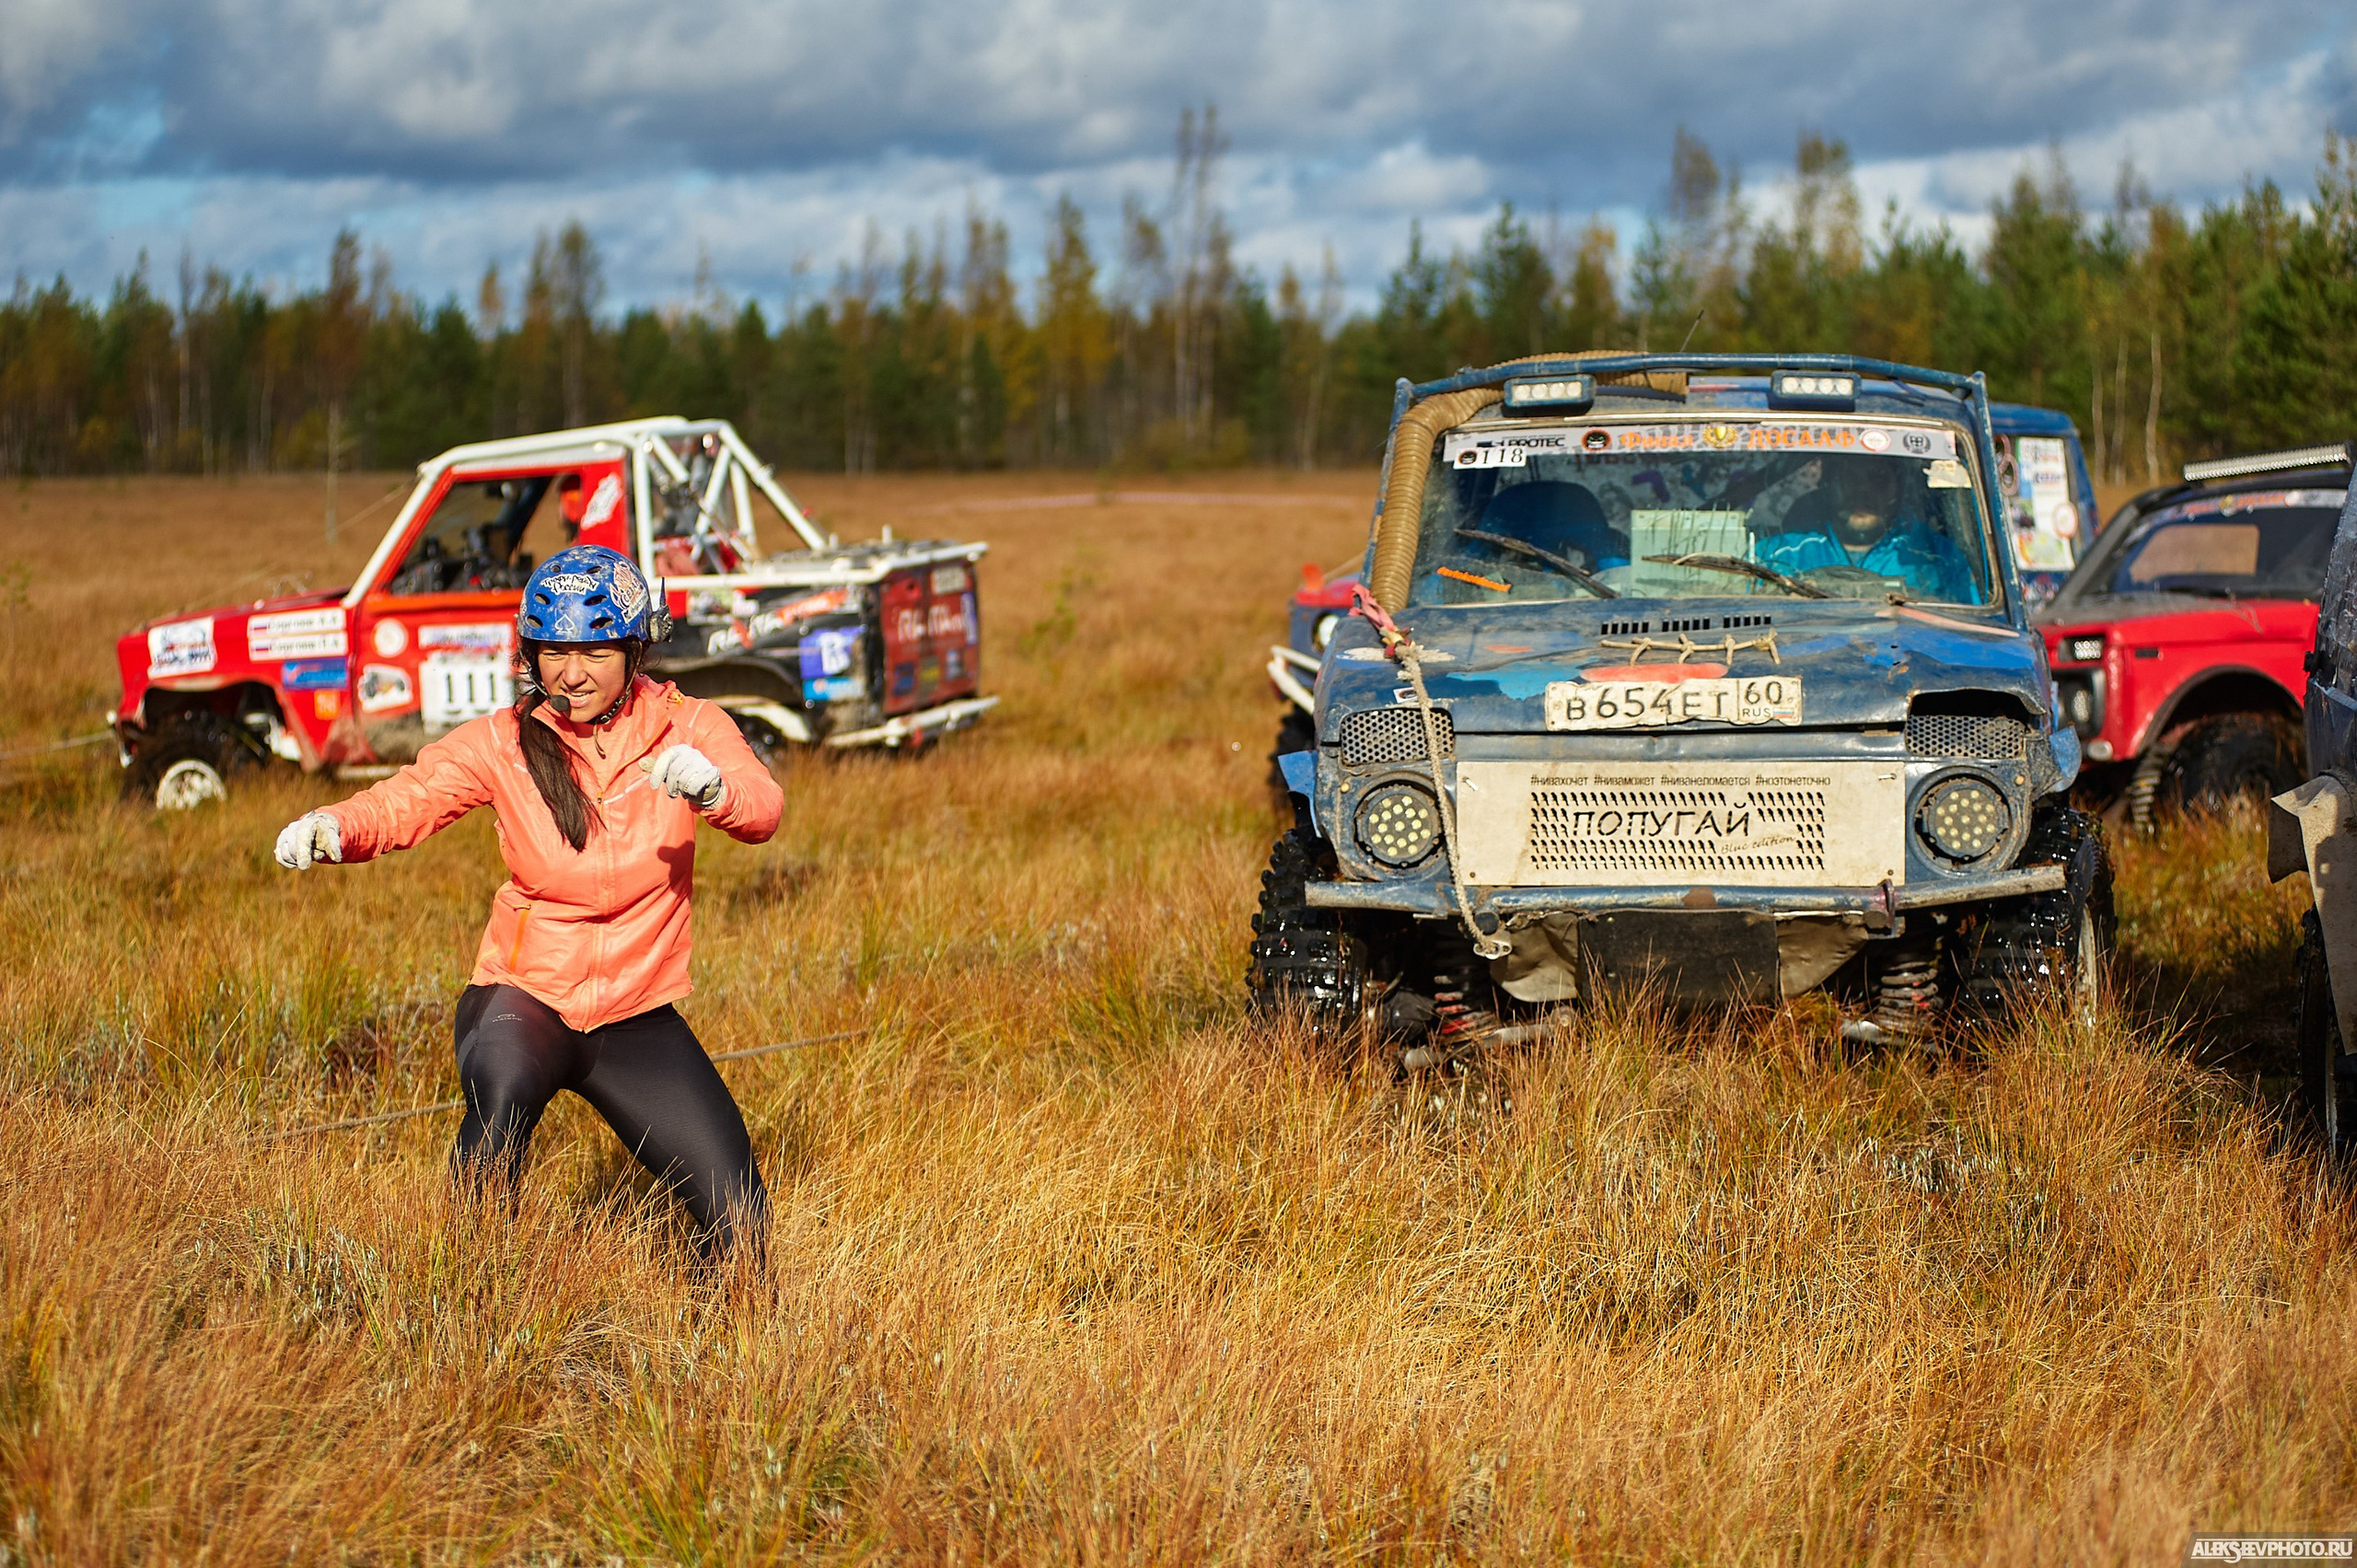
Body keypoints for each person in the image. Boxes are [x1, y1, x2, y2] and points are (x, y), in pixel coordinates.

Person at [272, 545, 784, 1264]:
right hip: (526, 999)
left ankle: (729, 1352)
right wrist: (337, 828)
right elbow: (408, 798)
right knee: (499, 1105)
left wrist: (713, 790)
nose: (570, 673)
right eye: (551, 650)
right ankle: (468, 1304)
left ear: (635, 648)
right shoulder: (502, 742)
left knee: (741, 1216)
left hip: (635, 1013)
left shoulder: (690, 726)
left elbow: (763, 809)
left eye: (594, 649)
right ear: (529, 651)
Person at [1754, 459, 1980, 602]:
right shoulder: (1775, 555)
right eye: (1849, 479)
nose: (1863, 490)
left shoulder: (1937, 558)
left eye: (1878, 478)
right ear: (1828, 484)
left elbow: (1969, 630)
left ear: (1898, 488)